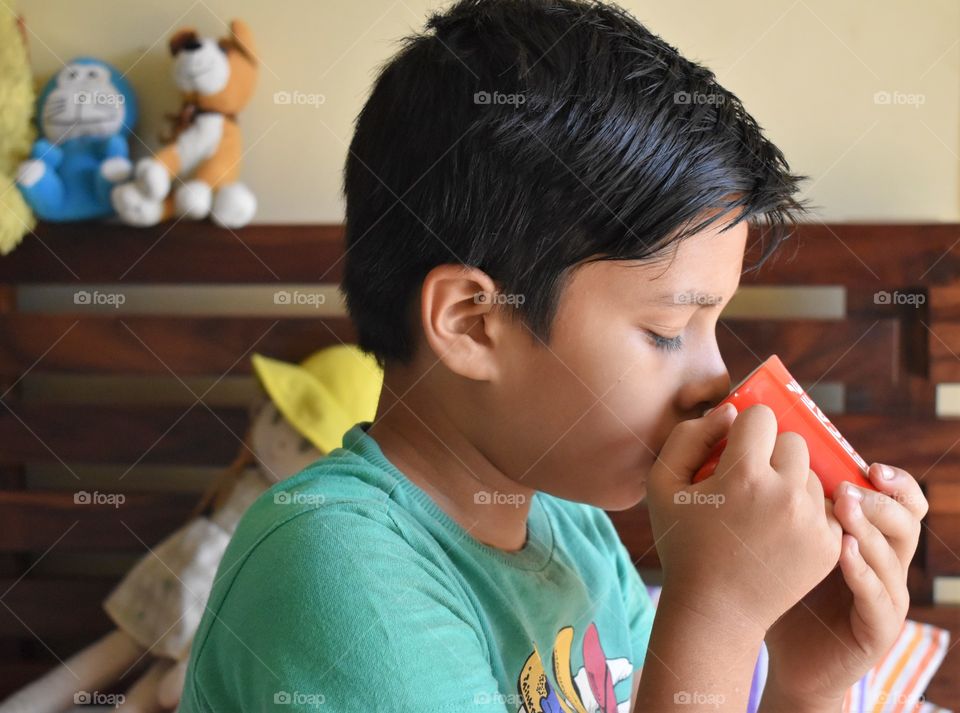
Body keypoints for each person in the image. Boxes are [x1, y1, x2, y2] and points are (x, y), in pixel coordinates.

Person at [179, 1, 927, 710]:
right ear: (474, 323)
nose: (715, 382)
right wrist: (718, 616)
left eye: (714, 325)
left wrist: (807, 685)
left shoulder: (575, 534)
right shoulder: (333, 568)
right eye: (668, 329)